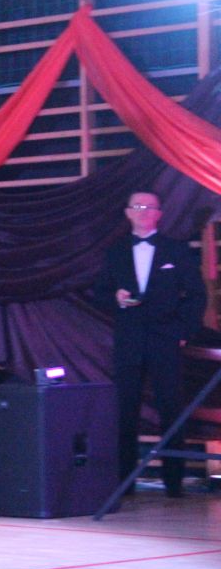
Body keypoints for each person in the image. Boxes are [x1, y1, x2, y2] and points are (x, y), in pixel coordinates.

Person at [97, 191, 206, 498]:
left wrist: (182, 332)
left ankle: (174, 481)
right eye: (138, 206)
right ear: (128, 212)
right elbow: (100, 293)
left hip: (165, 339)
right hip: (129, 339)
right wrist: (116, 298)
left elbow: (196, 295)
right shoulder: (116, 251)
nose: (143, 211)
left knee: (171, 407)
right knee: (125, 409)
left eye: (150, 207)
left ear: (159, 213)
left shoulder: (176, 249)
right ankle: (125, 481)